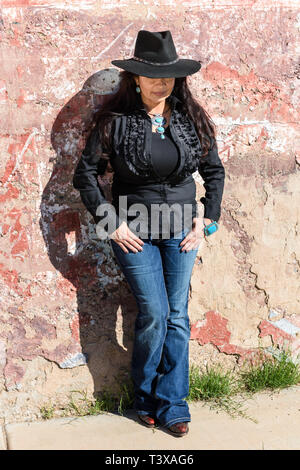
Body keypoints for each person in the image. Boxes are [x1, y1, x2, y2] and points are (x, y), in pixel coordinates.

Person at [73, 30, 225, 437]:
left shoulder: (191, 119)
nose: (162, 82)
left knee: (177, 317)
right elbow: (85, 176)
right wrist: (112, 223)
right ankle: (144, 397)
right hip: (134, 232)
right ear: (135, 78)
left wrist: (206, 220)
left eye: (170, 76)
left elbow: (214, 171)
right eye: (153, 75)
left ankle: (173, 403)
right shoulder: (114, 123)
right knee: (155, 315)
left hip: (182, 232)